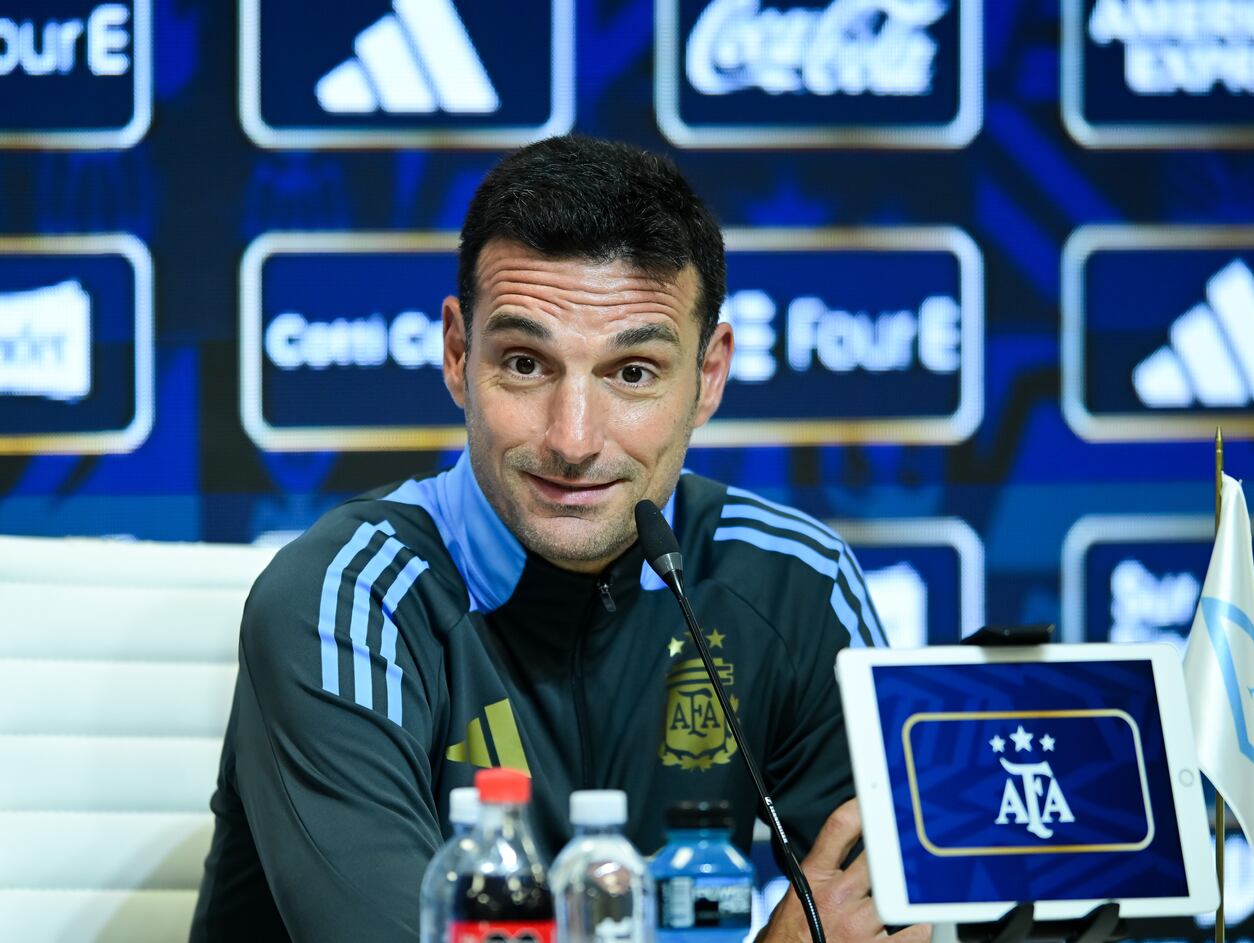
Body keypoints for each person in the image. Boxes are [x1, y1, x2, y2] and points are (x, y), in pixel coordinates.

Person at [190, 135, 928, 943]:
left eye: (633, 372)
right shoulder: (344, 600)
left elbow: (892, 917)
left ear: (709, 376)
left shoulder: (795, 581)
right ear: (456, 353)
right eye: (525, 363)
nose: (574, 438)